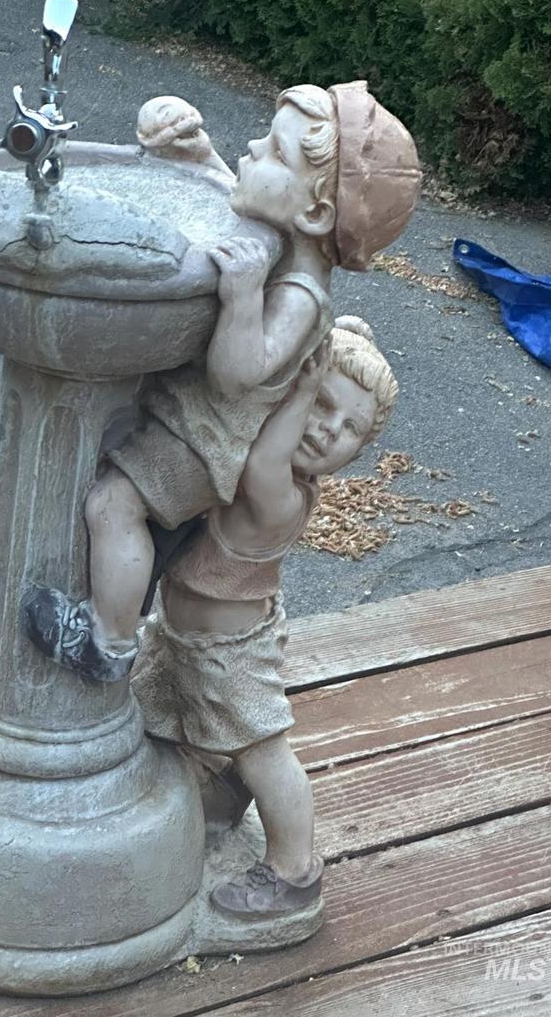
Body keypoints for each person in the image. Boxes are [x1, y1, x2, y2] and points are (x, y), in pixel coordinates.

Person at [23, 82, 419, 682]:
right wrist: (198, 153)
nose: (253, 148)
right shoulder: (287, 244)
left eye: (274, 152)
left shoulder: (301, 297)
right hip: (190, 425)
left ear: (315, 213)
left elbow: (237, 375)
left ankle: (107, 640)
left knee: (112, 504)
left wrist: (241, 296)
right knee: (117, 501)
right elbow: (246, 205)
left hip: (202, 445)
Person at [131, 318, 398, 917]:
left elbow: (259, 465)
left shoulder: (282, 496)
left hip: (228, 650)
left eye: (350, 429)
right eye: (323, 404)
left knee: (263, 751)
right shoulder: (271, 462)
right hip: (187, 635)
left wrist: (300, 392)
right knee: (159, 708)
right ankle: (222, 797)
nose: (329, 430)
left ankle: (293, 871)